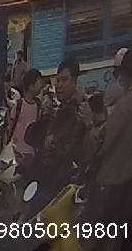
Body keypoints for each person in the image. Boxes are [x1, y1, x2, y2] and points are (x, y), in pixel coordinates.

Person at [92, 47, 132, 250]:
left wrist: (91, 124)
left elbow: (102, 142)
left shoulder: (128, 103)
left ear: (124, 73)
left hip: (117, 184)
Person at [37, 58, 95, 194]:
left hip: (70, 182)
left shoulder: (82, 109)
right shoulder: (62, 108)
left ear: (74, 81)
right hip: (54, 177)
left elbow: (84, 148)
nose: (59, 85)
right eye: (57, 80)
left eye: (64, 80)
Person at [7, 69, 44, 172]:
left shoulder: (38, 105)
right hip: (15, 152)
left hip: (30, 154)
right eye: (39, 82)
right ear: (31, 86)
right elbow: (10, 127)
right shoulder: (19, 105)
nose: (41, 86)